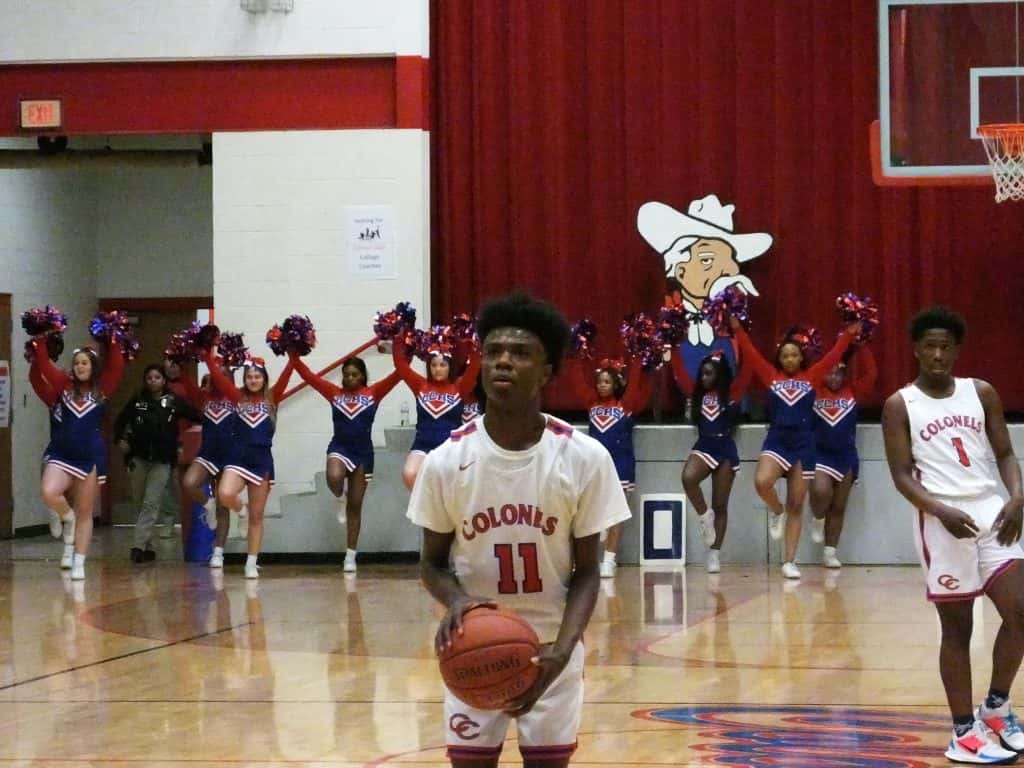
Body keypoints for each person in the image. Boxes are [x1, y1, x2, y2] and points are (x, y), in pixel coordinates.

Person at [407, 291, 630, 768]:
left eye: (520, 353)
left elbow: (588, 571)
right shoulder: (446, 461)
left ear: (547, 371)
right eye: (493, 351)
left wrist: (563, 653)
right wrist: (458, 601)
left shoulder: (584, 457)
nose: (503, 361)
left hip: (553, 645)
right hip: (473, 646)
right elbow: (431, 564)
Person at [882, 306, 1024, 764]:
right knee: (958, 628)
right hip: (941, 520)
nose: (938, 355)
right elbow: (901, 475)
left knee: (1021, 611)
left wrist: (1017, 496)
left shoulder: (980, 392)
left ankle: (996, 707)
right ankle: (963, 730)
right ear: (916, 350)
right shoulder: (900, 405)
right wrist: (938, 509)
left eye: (946, 346)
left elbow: (1005, 453)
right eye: (930, 347)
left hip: (992, 513)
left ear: (957, 349)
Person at [732, 316, 860, 579]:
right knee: (762, 482)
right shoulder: (771, 376)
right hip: (777, 441)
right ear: (779, 359)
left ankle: (789, 561)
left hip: (804, 445)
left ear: (802, 358)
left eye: (794, 355)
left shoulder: (812, 376)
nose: (789, 359)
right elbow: (751, 353)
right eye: (785, 356)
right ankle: (775, 509)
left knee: (796, 503)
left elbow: (834, 355)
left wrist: (848, 335)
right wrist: (736, 329)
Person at [291, 354, 401, 573]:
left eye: (354, 374)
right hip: (340, 447)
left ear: (362, 376)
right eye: (346, 375)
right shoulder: (334, 393)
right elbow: (309, 377)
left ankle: (350, 556)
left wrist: (405, 349)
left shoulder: (373, 393)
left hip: (363, 453)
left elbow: (399, 374)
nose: (350, 378)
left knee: (355, 506)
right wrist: (293, 355)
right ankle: (339, 496)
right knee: (334, 477)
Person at [33, 337, 124, 580]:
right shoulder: (63, 386)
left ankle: (79, 562)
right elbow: (44, 367)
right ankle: (67, 516)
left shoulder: (102, 389)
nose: (80, 367)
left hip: (89, 457)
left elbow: (117, 365)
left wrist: (114, 337)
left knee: (85, 512)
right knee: (48, 492)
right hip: (62, 454)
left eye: (85, 363)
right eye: (76, 363)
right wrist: (40, 340)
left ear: (93, 366)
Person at [206, 348, 294, 579]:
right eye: (249, 377)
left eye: (257, 376)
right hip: (238, 457)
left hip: (262, 460)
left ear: (264, 378)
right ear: (244, 380)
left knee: (257, 516)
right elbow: (217, 376)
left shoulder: (272, 398)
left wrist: (293, 356)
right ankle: (240, 510)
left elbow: (288, 373)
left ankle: (251, 563)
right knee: (225, 494)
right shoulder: (237, 397)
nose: (253, 380)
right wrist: (207, 355)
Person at [566, 357, 650, 578]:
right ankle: (584, 558)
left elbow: (635, 383)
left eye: (607, 382)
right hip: (595, 466)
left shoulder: (626, 405)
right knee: (588, 510)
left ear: (616, 384)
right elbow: (577, 382)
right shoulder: (592, 404)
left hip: (621, 463)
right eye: (599, 381)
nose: (602, 385)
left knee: (617, 513)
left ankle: (610, 559)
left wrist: (638, 357)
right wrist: (576, 356)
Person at [671, 349, 752, 573]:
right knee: (688, 478)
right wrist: (673, 345)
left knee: (720, 505)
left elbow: (748, 370)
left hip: (725, 448)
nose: (704, 378)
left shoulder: (733, 392)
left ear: (720, 375)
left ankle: (714, 553)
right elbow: (679, 372)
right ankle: (705, 516)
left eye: (709, 374)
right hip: (705, 445)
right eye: (703, 373)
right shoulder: (696, 392)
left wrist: (742, 336)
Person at [113, 364, 200, 563]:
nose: (153, 381)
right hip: (138, 458)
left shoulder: (174, 401)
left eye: (157, 377)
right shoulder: (137, 400)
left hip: (162, 460)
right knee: (139, 501)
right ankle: (147, 546)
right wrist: (120, 439)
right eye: (149, 378)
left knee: (151, 502)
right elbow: (121, 421)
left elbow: (196, 415)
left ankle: (137, 546)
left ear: (164, 380)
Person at [809, 343, 877, 569]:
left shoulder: (853, 391)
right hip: (820, 455)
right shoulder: (814, 391)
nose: (834, 377)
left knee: (838, 507)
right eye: (829, 372)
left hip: (845, 457)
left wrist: (861, 346)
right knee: (821, 491)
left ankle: (830, 552)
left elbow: (871, 374)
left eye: (839, 373)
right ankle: (818, 518)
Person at [394, 333, 480, 490]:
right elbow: (401, 365)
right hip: (422, 444)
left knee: (449, 482)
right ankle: (424, 502)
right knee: (409, 473)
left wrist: (471, 345)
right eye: (433, 365)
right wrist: (398, 337)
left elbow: (475, 368)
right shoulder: (420, 385)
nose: (437, 369)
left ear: (450, 367)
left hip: (450, 445)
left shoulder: (459, 387)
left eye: (442, 365)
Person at [178, 366, 237, 569]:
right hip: (207, 454)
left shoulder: (237, 398)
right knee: (189, 483)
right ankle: (207, 503)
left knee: (223, 505)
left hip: (229, 456)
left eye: (223, 376)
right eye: (215, 376)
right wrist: (181, 364)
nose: (219, 379)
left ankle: (218, 552)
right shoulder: (204, 397)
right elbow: (187, 384)